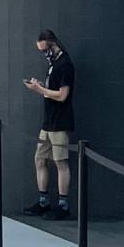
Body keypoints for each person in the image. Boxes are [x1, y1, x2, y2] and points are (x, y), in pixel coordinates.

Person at [24, 29, 75, 218]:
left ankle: (63, 205)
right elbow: (51, 91)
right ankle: (43, 201)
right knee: (40, 159)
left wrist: (40, 90)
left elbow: (62, 95)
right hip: (48, 121)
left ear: (53, 44)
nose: (44, 54)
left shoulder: (65, 65)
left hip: (60, 122)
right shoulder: (54, 65)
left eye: (45, 50)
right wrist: (40, 87)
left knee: (60, 162)